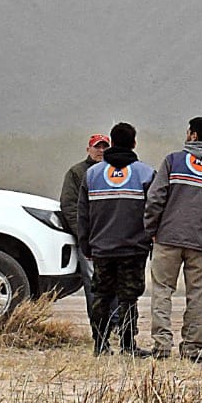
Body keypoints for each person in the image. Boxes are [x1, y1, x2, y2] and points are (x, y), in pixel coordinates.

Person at [144, 116, 202, 361]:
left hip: (168, 238)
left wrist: (151, 230)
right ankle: (193, 350)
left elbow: (155, 199)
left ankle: (162, 346)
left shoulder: (172, 161)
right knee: (199, 296)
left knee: (162, 291)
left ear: (193, 135)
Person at [74, 124, 153, 356]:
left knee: (102, 295)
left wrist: (85, 244)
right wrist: (150, 241)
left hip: (101, 248)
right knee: (129, 298)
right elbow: (153, 211)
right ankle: (128, 346)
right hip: (134, 249)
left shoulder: (92, 174)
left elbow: (82, 213)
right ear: (134, 143)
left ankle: (100, 345)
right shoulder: (146, 173)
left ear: (112, 142)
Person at [58, 133, 111, 333]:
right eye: (97, 147)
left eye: (105, 147)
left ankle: (114, 326)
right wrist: (82, 234)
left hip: (112, 238)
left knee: (114, 284)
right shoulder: (77, 172)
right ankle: (98, 328)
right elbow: (69, 205)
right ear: (88, 149)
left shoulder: (115, 172)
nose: (101, 150)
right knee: (93, 284)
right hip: (88, 238)